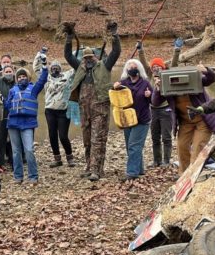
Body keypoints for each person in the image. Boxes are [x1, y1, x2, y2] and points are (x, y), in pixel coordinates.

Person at [63, 21, 121, 181]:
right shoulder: (80, 68)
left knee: (98, 139)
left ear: (96, 57)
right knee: (87, 140)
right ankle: (89, 167)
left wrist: (114, 34)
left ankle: (97, 170)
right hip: (84, 110)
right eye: (86, 57)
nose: (88, 60)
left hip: (100, 109)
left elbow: (116, 52)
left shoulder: (105, 66)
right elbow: (68, 56)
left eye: (91, 57)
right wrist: (69, 37)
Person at [151, 62, 215, 175]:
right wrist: (158, 88)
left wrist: (205, 70)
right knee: (182, 147)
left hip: (203, 120)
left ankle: (193, 176)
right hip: (185, 122)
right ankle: (184, 175)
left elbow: (212, 78)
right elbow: (155, 102)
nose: (178, 81)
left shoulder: (194, 80)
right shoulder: (168, 85)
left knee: (197, 149)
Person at [137, 38, 182, 168]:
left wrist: (177, 50)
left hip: (166, 110)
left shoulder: (167, 75)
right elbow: (144, 63)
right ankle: (156, 161)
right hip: (153, 110)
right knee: (155, 137)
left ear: (162, 67)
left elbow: (174, 64)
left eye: (158, 66)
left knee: (166, 137)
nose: (156, 68)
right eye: (154, 66)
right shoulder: (150, 77)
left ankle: (166, 161)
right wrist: (140, 50)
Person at [5, 57, 49, 183]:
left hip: (28, 124)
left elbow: (42, 80)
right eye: (19, 77)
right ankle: (18, 177)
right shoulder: (12, 90)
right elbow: (8, 106)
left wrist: (45, 67)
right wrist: (2, 102)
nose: (21, 78)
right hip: (13, 123)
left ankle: (33, 176)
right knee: (16, 152)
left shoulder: (34, 89)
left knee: (29, 150)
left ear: (28, 78)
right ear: (16, 79)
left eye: (24, 76)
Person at [32, 47, 76, 168]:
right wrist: (40, 54)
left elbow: (77, 68)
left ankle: (70, 157)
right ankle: (57, 159)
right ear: (50, 68)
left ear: (60, 69)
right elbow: (36, 67)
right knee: (52, 135)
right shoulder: (46, 77)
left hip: (64, 110)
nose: (55, 69)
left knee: (63, 135)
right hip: (50, 110)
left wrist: (75, 54)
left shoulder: (67, 76)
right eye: (53, 67)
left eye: (57, 68)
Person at [113, 59, 153, 182]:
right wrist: (114, 87)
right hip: (127, 119)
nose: (132, 69)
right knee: (130, 145)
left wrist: (149, 95)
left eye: (134, 66)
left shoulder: (145, 83)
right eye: (129, 67)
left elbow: (155, 101)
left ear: (139, 69)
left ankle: (132, 172)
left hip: (142, 119)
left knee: (134, 145)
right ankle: (139, 169)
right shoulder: (123, 83)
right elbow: (115, 97)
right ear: (126, 70)